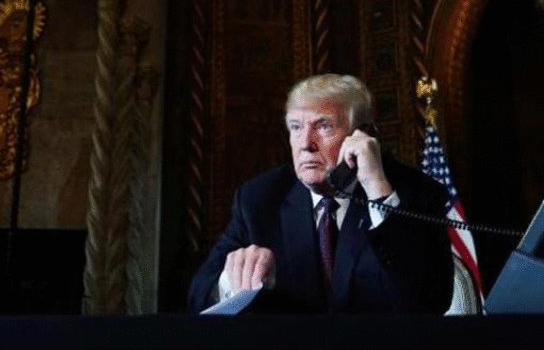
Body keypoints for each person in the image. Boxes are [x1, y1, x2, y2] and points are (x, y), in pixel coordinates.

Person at [188, 73, 453, 314]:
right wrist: (233, 281)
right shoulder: (259, 199)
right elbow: (198, 296)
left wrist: (378, 192)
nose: (305, 144)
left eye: (323, 126)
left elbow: (429, 299)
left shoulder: (417, 192)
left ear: (362, 136)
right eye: (296, 128)